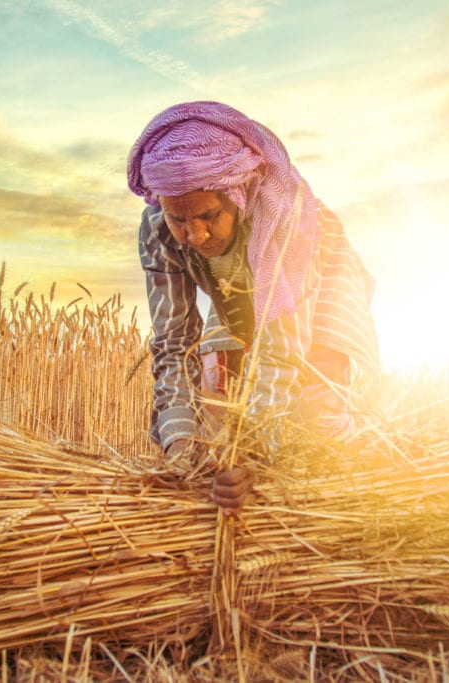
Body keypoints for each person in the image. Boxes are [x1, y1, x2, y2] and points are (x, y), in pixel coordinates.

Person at [127, 101, 380, 513]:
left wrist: (254, 458)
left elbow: (281, 350)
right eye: (179, 220)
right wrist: (182, 448)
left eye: (208, 215)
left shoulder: (284, 218)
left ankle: (335, 508)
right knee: (216, 390)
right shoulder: (157, 228)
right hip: (236, 286)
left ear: (237, 195)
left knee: (317, 403)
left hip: (321, 275)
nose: (194, 234)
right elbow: (173, 344)